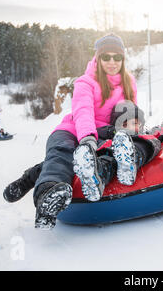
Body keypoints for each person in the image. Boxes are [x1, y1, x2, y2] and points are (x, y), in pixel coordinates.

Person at [3, 101, 163, 205]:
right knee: (74, 160)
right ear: (116, 126)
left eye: (136, 123)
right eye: (126, 124)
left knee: (146, 142)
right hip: (108, 155)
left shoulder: (147, 134)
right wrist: (28, 179)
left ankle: (129, 161)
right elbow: (56, 163)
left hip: (139, 151)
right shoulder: (105, 137)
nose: (132, 127)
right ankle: (96, 175)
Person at [30, 33, 138, 230]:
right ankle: (48, 198)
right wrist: (87, 138)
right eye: (106, 57)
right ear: (97, 58)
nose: (112, 62)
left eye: (117, 57)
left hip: (106, 133)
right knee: (61, 154)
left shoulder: (129, 82)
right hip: (73, 129)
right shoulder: (85, 82)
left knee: (101, 158)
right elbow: (83, 111)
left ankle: (31, 177)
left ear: (123, 59)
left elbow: (131, 111)